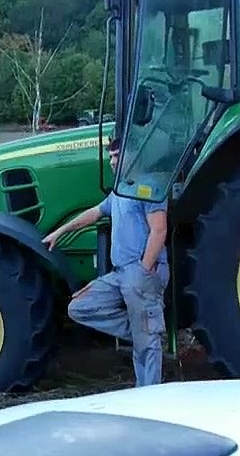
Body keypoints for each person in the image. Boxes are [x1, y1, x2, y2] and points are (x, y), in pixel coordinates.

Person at [41, 137, 169, 387]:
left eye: (117, 155)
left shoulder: (150, 186)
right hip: (120, 273)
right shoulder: (121, 190)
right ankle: (144, 332)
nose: (112, 162)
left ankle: (150, 396)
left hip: (139, 270)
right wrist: (60, 231)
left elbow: (159, 230)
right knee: (79, 307)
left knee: (145, 347)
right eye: (110, 156)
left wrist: (144, 268)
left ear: (135, 155)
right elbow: (94, 213)